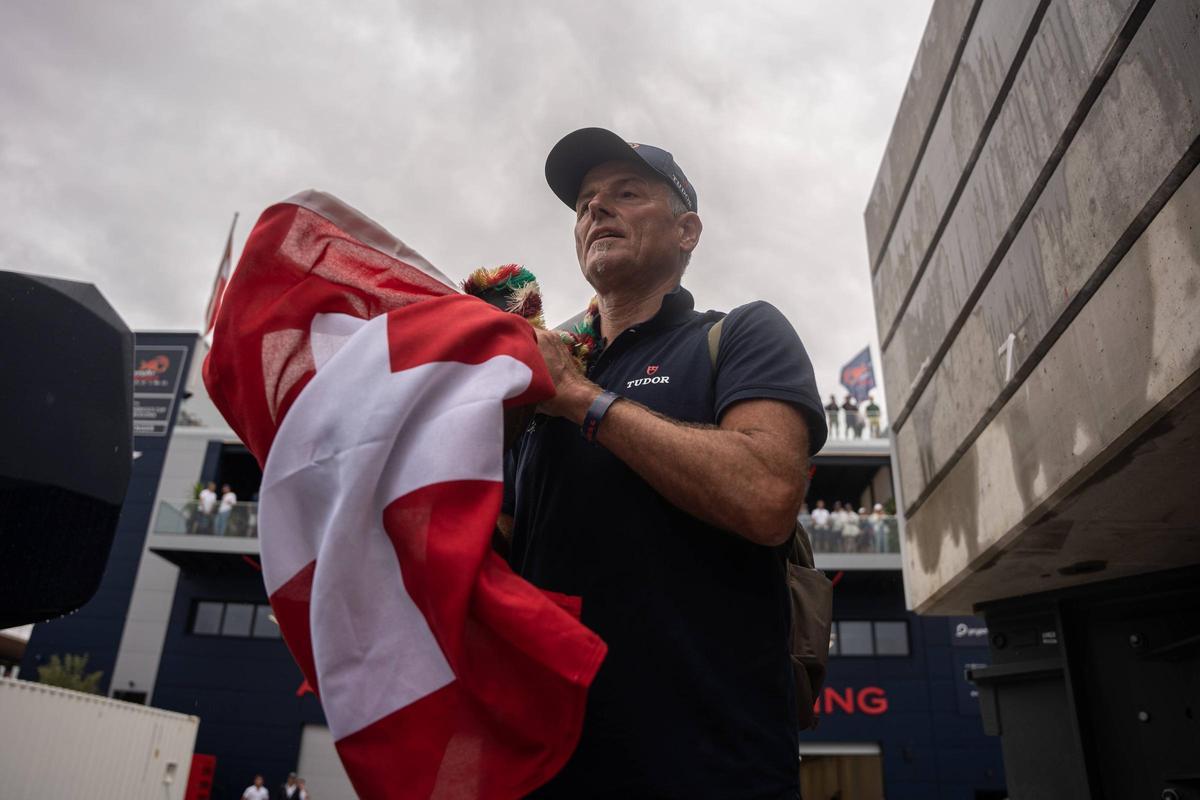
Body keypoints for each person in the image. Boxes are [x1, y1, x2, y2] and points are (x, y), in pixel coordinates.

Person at [504, 127, 827, 798]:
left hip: (711, 769)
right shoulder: (539, 377)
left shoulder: (740, 334)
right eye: (586, 202)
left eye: (626, 193)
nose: (596, 209)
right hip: (547, 767)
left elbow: (767, 493)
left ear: (687, 231)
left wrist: (583, 400)